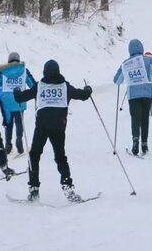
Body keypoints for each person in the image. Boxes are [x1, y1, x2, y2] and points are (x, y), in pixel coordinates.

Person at [14, 60, 93, 202]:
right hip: (59, 126)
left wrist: (17, 91)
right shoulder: (65, 86)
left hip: (42, 125)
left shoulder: (39, 86)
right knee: (60, 157)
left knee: (34, 155)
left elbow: (21, 98)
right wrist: (87, 90)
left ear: (44, 72)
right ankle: (68, 187)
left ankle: (34, 189)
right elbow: (82, 95)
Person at [113, 39, 152, 156]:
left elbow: (117, 80)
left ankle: (135, 140)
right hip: (147, 94)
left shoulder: (125, 63)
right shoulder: (148, 60)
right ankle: (144, 143)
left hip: (133, 96)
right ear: (142, 48)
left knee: (135, 118)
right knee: (145, 117)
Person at [0, 52, 37, 156]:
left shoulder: (3, 72)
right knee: (19, 123)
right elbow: (33, 85)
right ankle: (19, 140)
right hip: (20, 101)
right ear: (18, 60)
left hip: (7, 103)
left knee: (8, 124)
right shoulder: (24, 70)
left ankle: (8, 144)